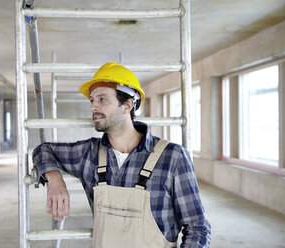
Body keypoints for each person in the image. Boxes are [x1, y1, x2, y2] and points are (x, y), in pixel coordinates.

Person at [32, 62, 211, 247]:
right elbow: (43, 150)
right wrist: (54, 179)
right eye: (92, 100)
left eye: (102, 99)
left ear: (127, 105)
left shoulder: (172, 157)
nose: (93, 107)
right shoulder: (89, 153)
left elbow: (197, 228)